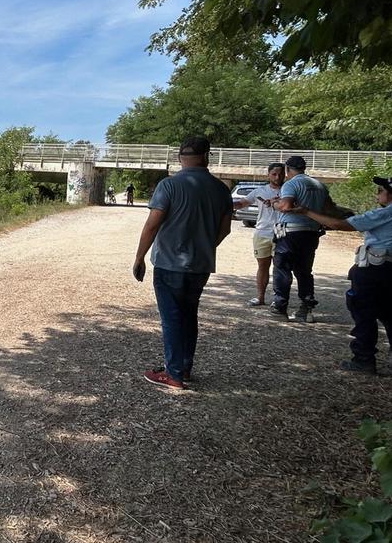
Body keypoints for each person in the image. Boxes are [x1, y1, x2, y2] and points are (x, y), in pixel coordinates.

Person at [295, 176, 392, 376]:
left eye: (381, 190)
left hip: (373, 270)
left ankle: (364, 359)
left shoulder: (390, 212)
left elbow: (341, 225)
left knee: (364, 314)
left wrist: (306, 212)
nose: (378, 194)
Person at [132, 135, 233, 390]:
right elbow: (225, 229)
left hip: (169, 264)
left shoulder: (169, 185)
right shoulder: (221, 189)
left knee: (172, 318)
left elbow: (152, 224)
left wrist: (139, 256)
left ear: (180, 157)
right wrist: (205, 247)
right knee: (189, 315)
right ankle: (184, 367)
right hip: (200, 266)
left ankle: (173, 374)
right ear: (207, 156)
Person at [272, 155, 330, 321]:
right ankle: (306, 307)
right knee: (304, 271)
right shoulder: (320, 185)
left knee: (282, 268)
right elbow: (327, 209)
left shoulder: (291, 184)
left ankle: (280, 306)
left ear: (287, 169)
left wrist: (275, 204)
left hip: (290, 233)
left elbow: (285, 207)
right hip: (311, 232)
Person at [233, 163, 286, 306]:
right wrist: (223, 203)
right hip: (262, 231)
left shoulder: (289, 191)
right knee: (262, 266)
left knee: (280, 267)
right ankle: (260, 297)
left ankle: (279, 300)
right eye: (274, 174)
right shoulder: (259, 191)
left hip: (282, 232)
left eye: (280, 174)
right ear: (268, 175)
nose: (277, 177)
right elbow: (241, 203)